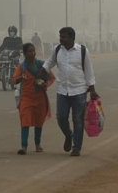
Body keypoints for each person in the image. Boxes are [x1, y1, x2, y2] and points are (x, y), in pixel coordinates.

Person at [38, 27, 99, 157]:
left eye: (64, 37)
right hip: (62, 90)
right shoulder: (58, 49)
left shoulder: (82, 51)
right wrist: (43, 71)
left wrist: (92, 90)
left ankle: (76, 147)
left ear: (71, 38)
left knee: (78, 119)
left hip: (79, 90)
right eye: (60, 36)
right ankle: (68, 135)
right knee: (61, 117)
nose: (61, 39)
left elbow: (89, 71)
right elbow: (50, 62)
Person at [12, 43, 55, 155]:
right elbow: (13, 80)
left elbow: (51, 78)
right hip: (26, 97)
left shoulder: (41, 65)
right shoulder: (22, 67)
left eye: (33, 51)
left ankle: (37, 145)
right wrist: (20, 78)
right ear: (25, 53)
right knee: (25, 121)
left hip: (40, 97)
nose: (32, 53)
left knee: (38, 121)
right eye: (30, 51)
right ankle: (24, 146)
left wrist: (45, 85)